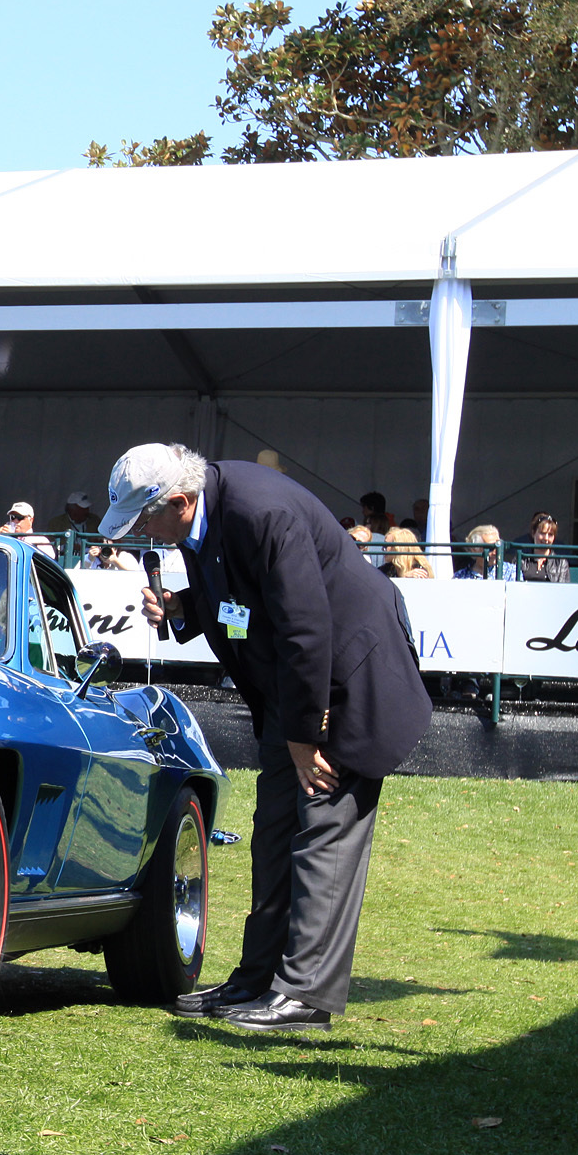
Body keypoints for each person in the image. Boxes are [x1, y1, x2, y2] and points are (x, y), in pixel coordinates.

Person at [107, 442, 430, 1034]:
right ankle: (259, 977)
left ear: (179, 501)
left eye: (144, 520)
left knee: (323, 830)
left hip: (346, 682)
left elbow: (306, 627)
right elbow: (240, 600)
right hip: (298, 690)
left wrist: (306, 737)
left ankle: (304, 994)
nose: (142, 535)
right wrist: (182, 609)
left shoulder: (261, 511)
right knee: (275, 830)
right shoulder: (206, 517)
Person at [453, 524, 518, 581]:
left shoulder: (511, 571)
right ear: (474, 550)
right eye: (490, 548)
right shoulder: (460, 576)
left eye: (498, 547)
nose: (495, 552)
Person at [523, 512, 570, 583]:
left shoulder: (561, 563)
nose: (546, 538)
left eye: (550, 534)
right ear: (533, 533)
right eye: (542, 533)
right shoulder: (521, 560)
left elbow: (563, 591)